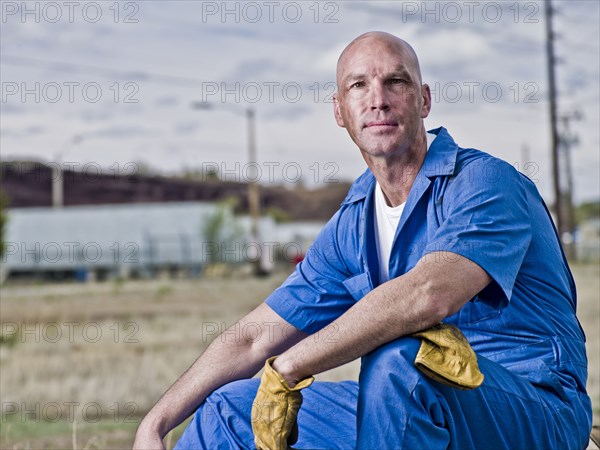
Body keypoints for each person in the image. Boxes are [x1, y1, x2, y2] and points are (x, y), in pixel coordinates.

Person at [133, 31, 592, 450]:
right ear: (339, 110)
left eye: (396, 82)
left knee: (403, 360)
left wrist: (291, 367)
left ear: (424, 100)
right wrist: (155, 422)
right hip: (409, 403)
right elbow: (255, 338)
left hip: (532, 409)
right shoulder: (354, 223)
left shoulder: (485, 182)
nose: (378, 100)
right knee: (230, 409)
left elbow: (429, 295)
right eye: (359, 86)